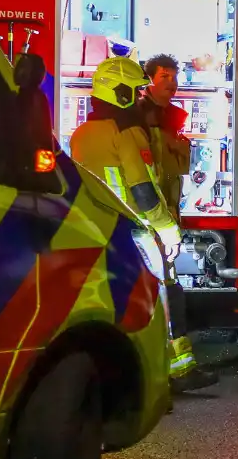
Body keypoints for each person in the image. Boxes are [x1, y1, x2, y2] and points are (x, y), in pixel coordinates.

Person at [68, 57, 205, 393]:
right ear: (119, 92)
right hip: (138, 231)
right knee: (164, 297)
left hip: (97, 231)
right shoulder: (127, 133)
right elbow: (144, 189)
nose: (138, 95)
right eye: (133, 90)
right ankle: (174, 373)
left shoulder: (81, 134)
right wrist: (169, 230)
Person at [139, 53, 218, 392]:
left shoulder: (170, 119)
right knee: (166, 292)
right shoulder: (142, 120)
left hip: (163, 215)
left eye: (174, 75)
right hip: (151, 221)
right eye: (164, 76)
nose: (171, 82)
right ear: (149, 80)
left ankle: (172, 369)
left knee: (167, 291)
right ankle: (174, 371)